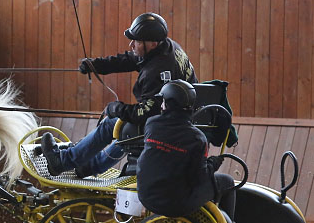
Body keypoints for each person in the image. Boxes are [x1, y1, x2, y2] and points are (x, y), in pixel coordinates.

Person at [41, 12, 197, 178]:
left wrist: (117, 109)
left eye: (136, 41)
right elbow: (131, 59)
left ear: (151, 43)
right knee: (127, 129)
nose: (131, 44)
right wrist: (96, 65)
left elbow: (145, 114)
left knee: (116, 124)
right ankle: (89, 166)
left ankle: (64, 161)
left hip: (168, 125)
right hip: (183, 119)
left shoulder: (156, 71)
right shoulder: (166, 47)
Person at [135, 80, 237, 223]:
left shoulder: (151, 124)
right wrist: (213, 163)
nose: (161, 106)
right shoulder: (196, 138)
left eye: (163, 102)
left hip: (147, 196)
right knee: (227, 181)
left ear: (168, 104)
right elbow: (199, 177)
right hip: (176, 203)